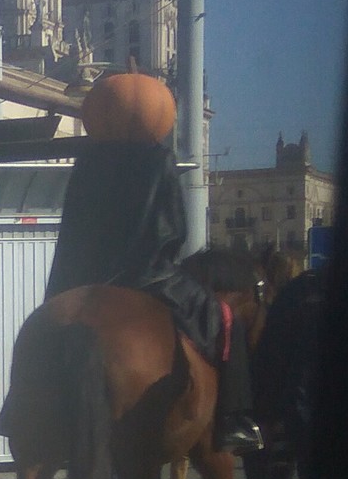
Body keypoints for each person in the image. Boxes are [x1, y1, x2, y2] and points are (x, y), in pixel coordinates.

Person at [44, 139, 262, 452]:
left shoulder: (88, 159)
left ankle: (19, 410)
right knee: (226, 319)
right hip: (148, 274)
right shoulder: (156, 156)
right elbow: (170, 225)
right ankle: (234, 422)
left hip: (83, 275)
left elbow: (73, 226)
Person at [245, 264, 326, 479]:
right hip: (293, 407)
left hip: (271, 405)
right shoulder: (312, 298)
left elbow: (269, 356)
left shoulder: (296, 293)